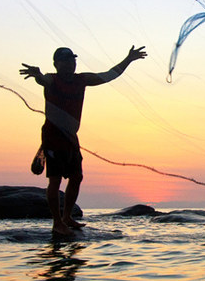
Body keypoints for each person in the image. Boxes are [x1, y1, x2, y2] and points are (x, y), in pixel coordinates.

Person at [20, 45, 147, 236]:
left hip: (71, 138)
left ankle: (67, 217)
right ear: (56, 64)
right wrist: (37, 74)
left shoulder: (82, 79)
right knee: (54, 181)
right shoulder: (51, 80)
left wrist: (128, 59)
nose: (70, 64)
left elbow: (108, 75)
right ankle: (57, 223)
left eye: (72, 60)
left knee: (77, 177)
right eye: (66, 61)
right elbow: (42, 79)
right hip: (53, 137)